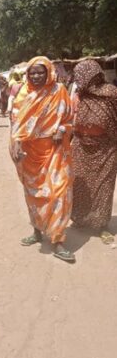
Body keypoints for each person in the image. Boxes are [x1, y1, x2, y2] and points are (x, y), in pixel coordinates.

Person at [10, 56, 75, 262]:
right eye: (32, 72)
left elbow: (70, 119)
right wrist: (17, 144)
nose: (36, 76)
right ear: (27, 74)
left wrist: (62, 129)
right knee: (35, 194)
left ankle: (57, 240)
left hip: (55, 150)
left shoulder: (59, 92)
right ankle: (37, 231)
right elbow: (15, 123)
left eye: (40, 72)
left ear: (48, 72)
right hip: (30, 153)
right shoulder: (23, 94)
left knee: (59, 192)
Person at [71, 60, 117, 244]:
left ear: (91, 75)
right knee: (81, 186)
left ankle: (101, 226)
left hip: (106, 149)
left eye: (80, 75)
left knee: (103, 188)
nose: (77, 79)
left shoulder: (111, 93)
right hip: (81, 147)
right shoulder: (80, 95)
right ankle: (81, 219)